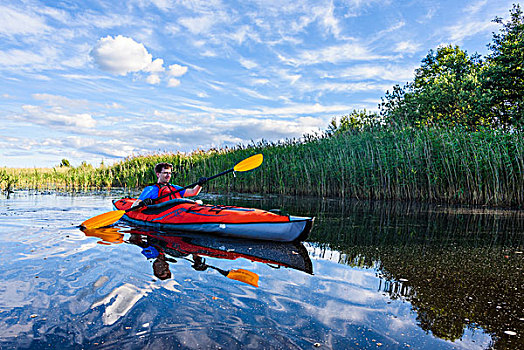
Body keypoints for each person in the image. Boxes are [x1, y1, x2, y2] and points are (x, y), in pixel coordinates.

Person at [131, 162, 207, 208]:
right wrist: (143, 203)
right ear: (158, 174)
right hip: (163, 214)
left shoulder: (174, 187)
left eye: (170, 173)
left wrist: (200, 184)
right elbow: (135, 205)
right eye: (165, 173)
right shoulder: (150, 189)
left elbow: (193, 192)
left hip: (179, 210)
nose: (168, 175)